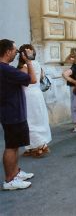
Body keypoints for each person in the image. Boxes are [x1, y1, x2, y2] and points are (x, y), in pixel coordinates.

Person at [0, 39, 36, 190]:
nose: (17, 53)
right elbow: (32, 79)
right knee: (11, 146)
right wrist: (28, 61)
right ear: (7, 51)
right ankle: (9, 180)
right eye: (15, 50)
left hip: (11, 111)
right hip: (12, 112)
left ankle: (15, 173)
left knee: (14, 146)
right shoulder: (5, 69)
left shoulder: (5, 69)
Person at [17, 44, 52, 157]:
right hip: (37, 94)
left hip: (28, 95)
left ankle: (40, 146)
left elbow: (22, 82)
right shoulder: (37, 64)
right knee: (39, 119)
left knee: (30, 121)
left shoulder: (25, 67)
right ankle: (34, 146)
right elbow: (41, 78)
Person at [62, 48, 76, 132]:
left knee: (75, 105)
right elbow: (66, 61)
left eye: (72, 54)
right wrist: (70, 56)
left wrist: (74, 81)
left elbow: (66, 62)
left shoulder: (75, 66)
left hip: (75, 87)